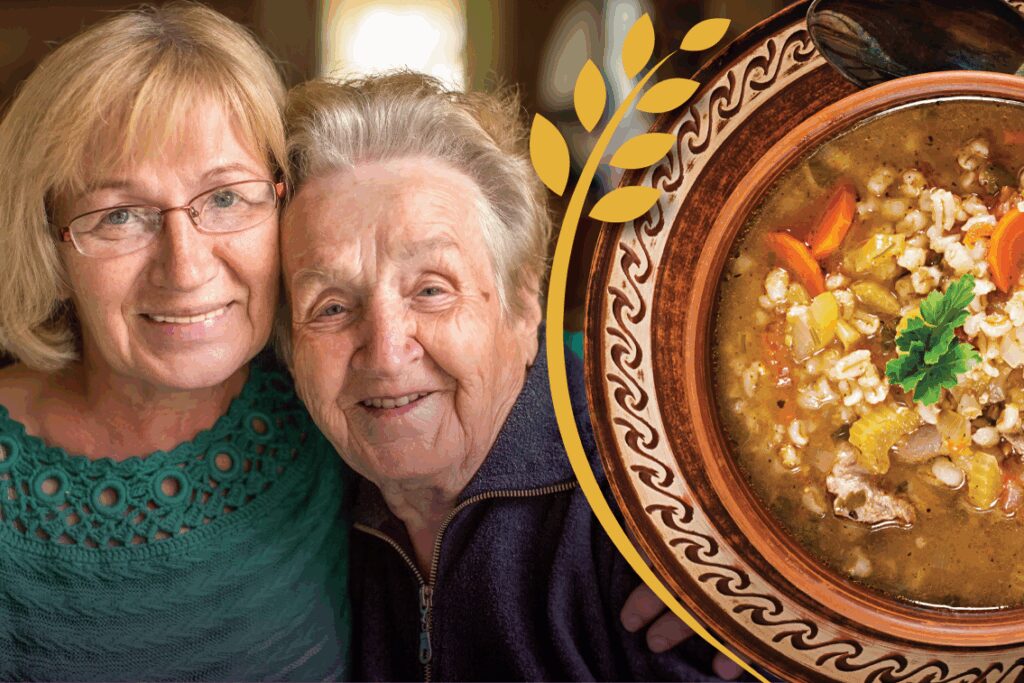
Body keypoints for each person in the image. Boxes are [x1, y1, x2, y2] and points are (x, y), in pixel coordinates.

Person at [280, 71, 735, 681]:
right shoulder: (288, 498)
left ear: (524, 308)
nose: (386, 354)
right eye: (331, 307)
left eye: (432, 290)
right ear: (287, 349)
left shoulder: (656, 512)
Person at [0, 4, 350, 679]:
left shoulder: (330, 392)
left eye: (225, 198)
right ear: (51, 245)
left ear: (285, 201)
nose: (185, 269)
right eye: (120, 215)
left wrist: (615, 538)